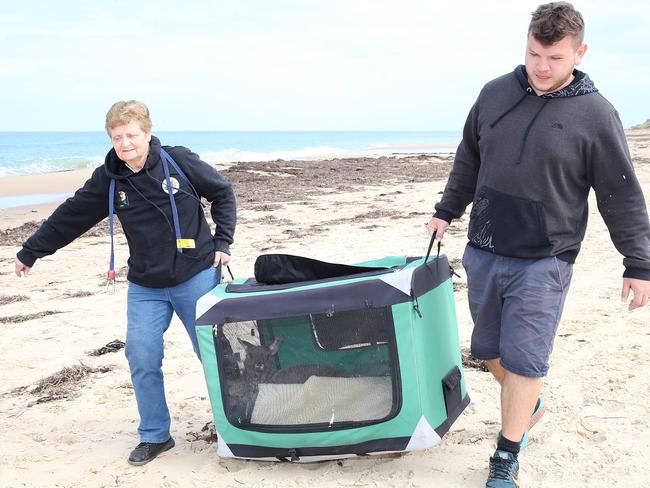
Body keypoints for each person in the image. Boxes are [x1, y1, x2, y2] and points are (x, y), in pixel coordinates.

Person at [426, 3, 650, 487]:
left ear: (579, 52)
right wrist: (446, 210)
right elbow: (469, 158)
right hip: (484, 247)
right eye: (534, 54)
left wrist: (639, 262)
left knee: (525, 359)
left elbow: (619, 192)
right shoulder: (494, 94)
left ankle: (506, 455)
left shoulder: (596, 113)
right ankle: (531, 403)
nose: (542, 67)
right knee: (489, 350)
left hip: (546, 259)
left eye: (554, 57)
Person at [14, 100, 237, 466]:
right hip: (147, 285)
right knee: (141, 354)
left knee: (213, 355)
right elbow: (71, 215)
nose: (126, 143)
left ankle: (236, 425)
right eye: (118, 137)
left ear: (147, 133)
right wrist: (31, 251)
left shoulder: (178, 161)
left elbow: (223, 192)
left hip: (195, 275)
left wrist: (223, 242)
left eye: (132, 135)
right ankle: (155, 435)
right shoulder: (109, 178)